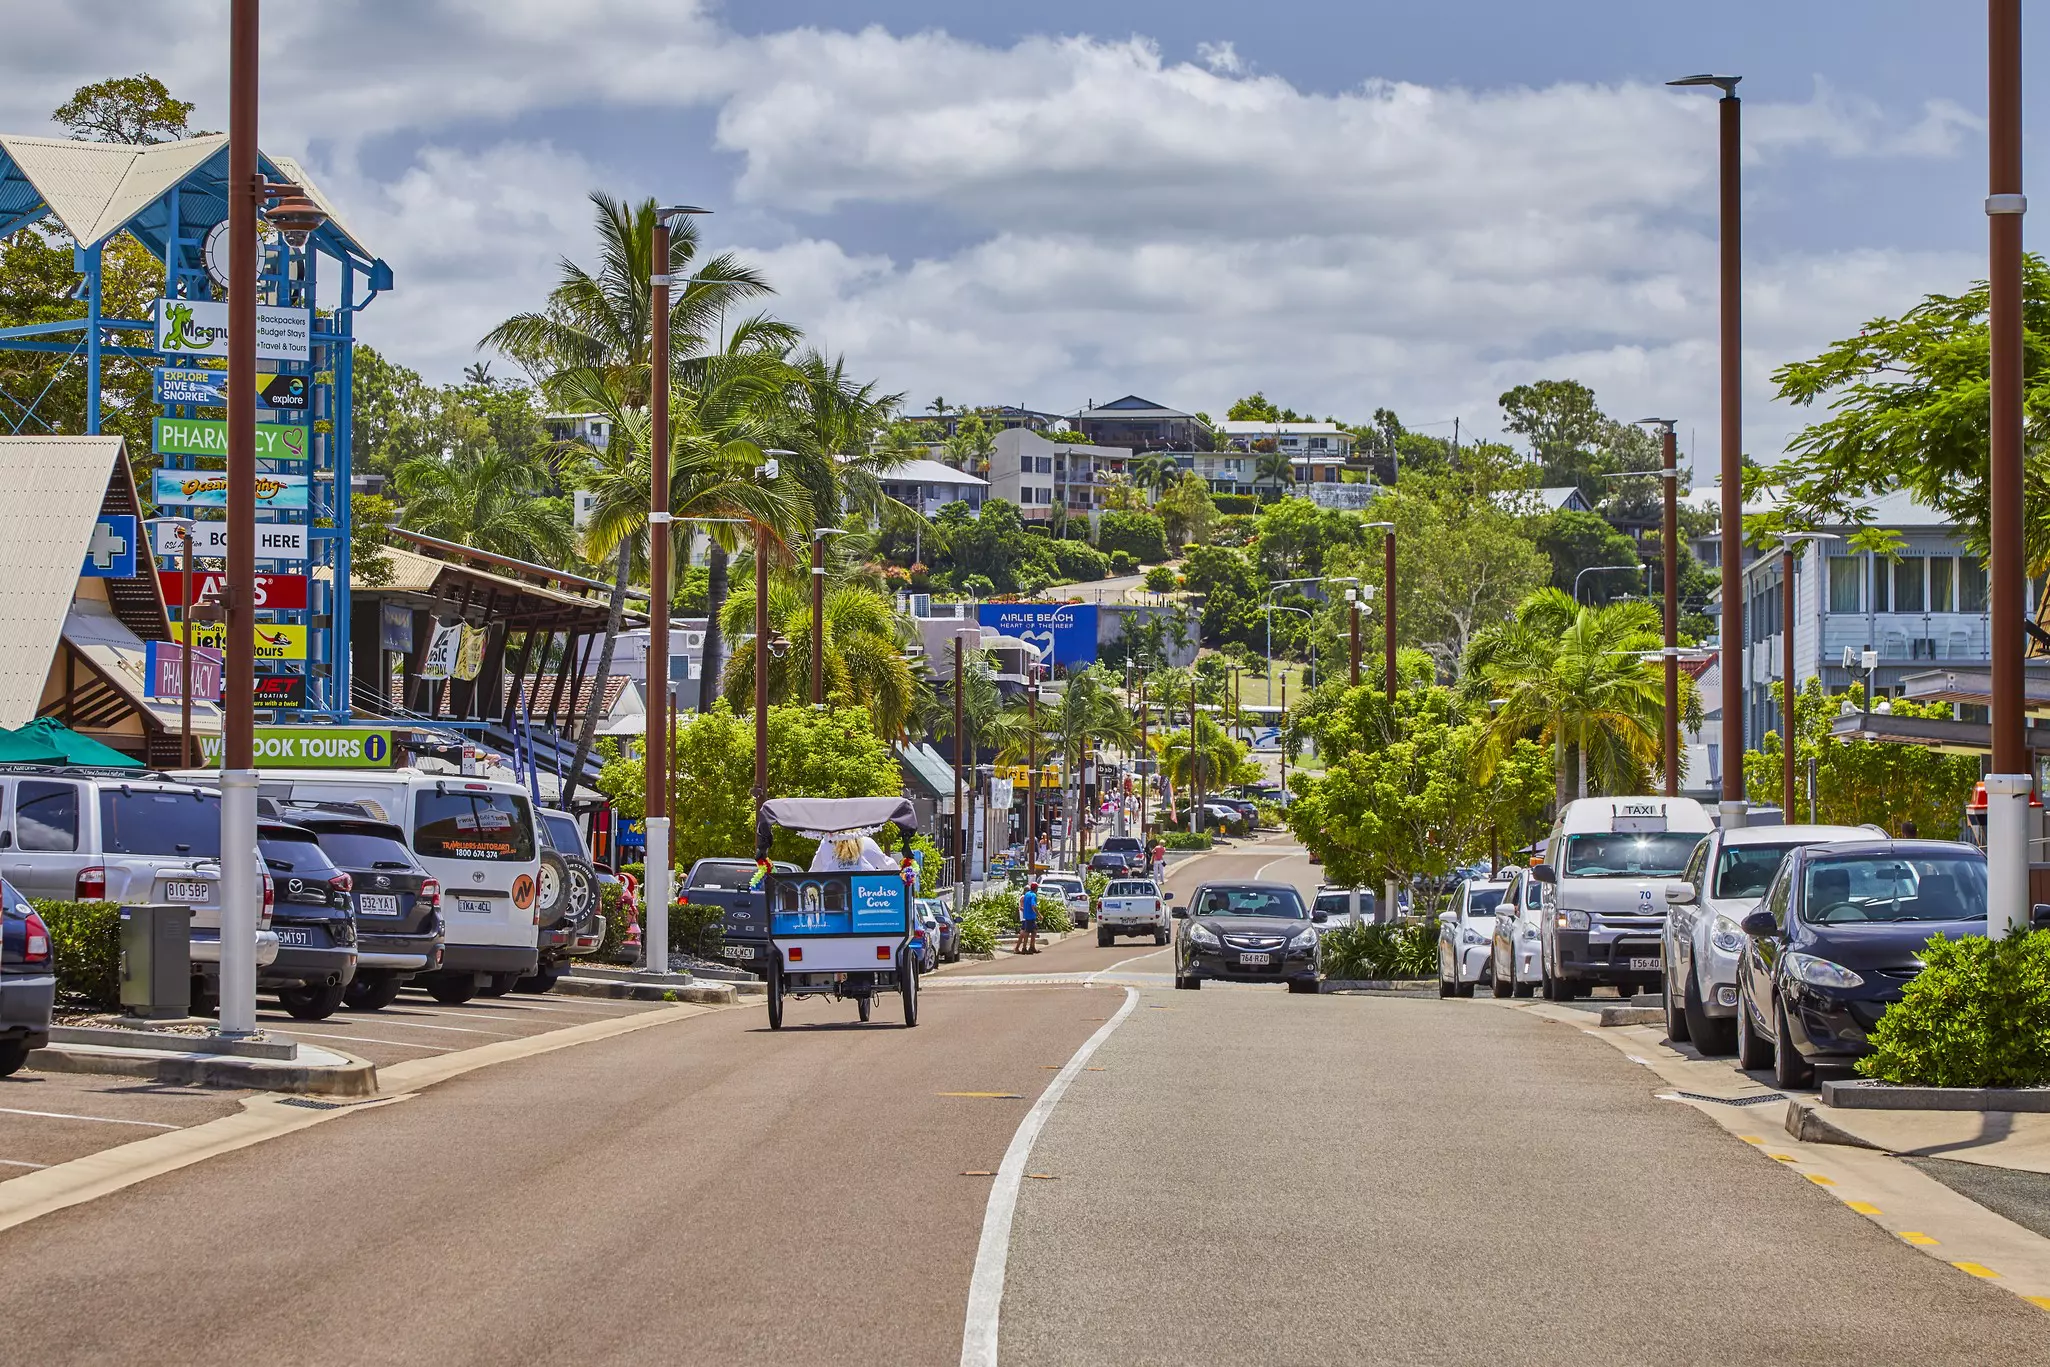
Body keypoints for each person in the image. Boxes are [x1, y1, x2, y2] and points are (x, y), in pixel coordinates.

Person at [809, 832, 897, 872]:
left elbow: (814, 871)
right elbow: (889, 866)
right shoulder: (867, 842)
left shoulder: (826, 844)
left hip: (834, 902)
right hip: (866, 898)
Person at [1016, 880, 1040, 955]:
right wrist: (1039, 914)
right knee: (1026, 932)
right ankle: (1024, 948)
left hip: (1027, 916)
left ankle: (1032, 947)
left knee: (1034, 930)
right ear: (1036, 889)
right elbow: (1033, 906)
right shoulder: (1033, 895)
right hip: (1030, 916)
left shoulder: (1027, 895)